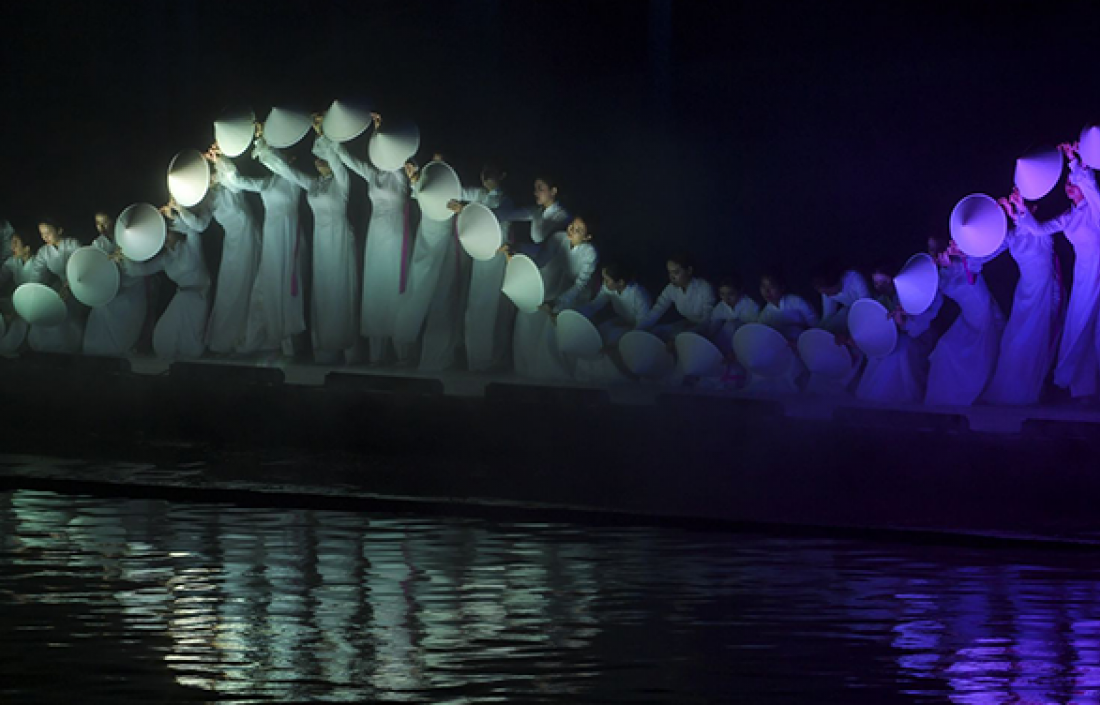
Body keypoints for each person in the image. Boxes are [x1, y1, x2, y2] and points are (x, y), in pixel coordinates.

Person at [257, 119, 359, 363]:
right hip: (321, 240)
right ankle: (325, 346)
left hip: (339, 237)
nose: (317, 161)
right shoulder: (313, 184)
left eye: (322, 157)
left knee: (340, 288)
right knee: (323, 290)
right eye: (317, 158)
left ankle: (348, 346)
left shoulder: (341, 182)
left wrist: (322, 134)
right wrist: (262, 145)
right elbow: (287, 171)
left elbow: (337, 162)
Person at [1008, 142, 1100, 402]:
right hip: (1083, 274)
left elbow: (1092, 189)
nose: (1069, 186)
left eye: (1073, 183)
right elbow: (1039, 229)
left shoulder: (1095, 210)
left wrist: (1074, 162)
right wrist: (1021, 210)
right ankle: (1084, 389)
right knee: (1079, 325)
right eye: (1067, 184)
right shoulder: (1069, 217)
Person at [330, 112, 412, 365]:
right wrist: (330, 134)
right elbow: (347, 158)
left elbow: (396, 151)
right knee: (376, 288)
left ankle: (402, 352)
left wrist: (381, 129)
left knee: (396, 287)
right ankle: (377, 352)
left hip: (396, 233)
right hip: (376, 234)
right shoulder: (372, 173)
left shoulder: (399, 174)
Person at [217, 125, 306, 357]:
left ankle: (287, 343)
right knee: (263, 287)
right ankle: (257, 339)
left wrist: (261, 142)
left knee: (284, 285)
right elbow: (238, 181)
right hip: (272, 237)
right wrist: (220, 161)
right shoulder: (268, 182)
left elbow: (278, 164)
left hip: (287, 234)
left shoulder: (293, 179)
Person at [982, 190, 1063, 405]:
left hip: (1042, 293)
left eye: (1022, 203)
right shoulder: (1013, 235)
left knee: (1031, 341)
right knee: (1012, 342)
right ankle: (1007, 392)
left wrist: (1015, 211)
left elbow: (1031, 226)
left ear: (1033, 208)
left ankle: (1026, 393)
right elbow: (989, 249)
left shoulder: (1042, 232)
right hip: (1024, 293)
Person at [394, 154, 467, 371]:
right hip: (427, 245)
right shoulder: (423, 185)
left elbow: (474, 199)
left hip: (447, 247)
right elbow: (419, 189)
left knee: (443, 300)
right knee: (417, 292)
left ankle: (436, 359)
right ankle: (403, 347)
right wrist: (414, 178)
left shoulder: (458, 190)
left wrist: (464, 208)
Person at [448, 163, 515, 372]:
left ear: (502, 176)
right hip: (481, 256)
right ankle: (475, 359)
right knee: (475, 307)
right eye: (484, 173)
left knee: (492, 309)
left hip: (496, 257)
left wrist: (465, 209)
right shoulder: (479, 194)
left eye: (491, 174)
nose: (486, 178)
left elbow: (493, 216)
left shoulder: (506, 201)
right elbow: (457, 191)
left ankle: (491, 359)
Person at [924, 234, 1004, 406]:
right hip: (967, 318)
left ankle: (971, 394)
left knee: (975, 354)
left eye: (934, 248)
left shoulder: (966, 261)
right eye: (930, 249)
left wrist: (958, 259)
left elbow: (972, 277)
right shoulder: (939, 273)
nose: (932, 252)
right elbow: (932, 303)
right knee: (944, 347)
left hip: (982, 316)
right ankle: (943, 402)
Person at [126, 204, 210, 359]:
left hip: (199, 296)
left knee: (193, 343)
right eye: (163, 235)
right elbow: (140, 270)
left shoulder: (191, 244)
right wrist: (124, 253)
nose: (165, 238)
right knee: (163, 336)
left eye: (168, 233)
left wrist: (175, 216)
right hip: (182, 298)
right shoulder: (166, 259)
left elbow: (192, 229)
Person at [855, 261, 944, 404]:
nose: (880, 287)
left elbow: (919, 327)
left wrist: (903, 322)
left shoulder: (916, 294)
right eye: (876, 283)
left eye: (884, 282)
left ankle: (903, 397)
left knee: (900, 351)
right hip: (895, 337)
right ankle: (876, 397)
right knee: (880, 352)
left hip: (919, 337)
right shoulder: (882, 299)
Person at [202, 146, 262, 355]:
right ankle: (225, 337)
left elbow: (232, 175)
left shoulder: (228, 182)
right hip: (233, 241)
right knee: (230, 287)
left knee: (247, 282)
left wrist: (219, 159)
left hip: (247, 235)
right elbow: (200, 224)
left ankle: (245, 334)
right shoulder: (207, 197)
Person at [83, 210, 148, 356]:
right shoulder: (97, 243)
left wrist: (124, 260)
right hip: (108, 290)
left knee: (126, 331)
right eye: (98, 223)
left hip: (131, 288)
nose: (102, 227)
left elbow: (140, 263)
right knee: (100, 325)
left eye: (105, 222)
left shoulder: (128, 236)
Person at [28, 218, 85, 353]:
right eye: (42, 234)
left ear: (59, 230)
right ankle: (44, 347)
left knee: (66, 312)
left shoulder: (73, 244)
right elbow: (37, 275)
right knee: (47, 308)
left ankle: (67, 345)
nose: (45, 237)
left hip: (80, 285)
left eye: (48, 233)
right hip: (60, 286)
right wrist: (32, 292)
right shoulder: (44, 252)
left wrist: (71, 283)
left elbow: (84, 264)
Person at [636, 252, 717, 341]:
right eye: (670, 273)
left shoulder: (704, 288)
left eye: (676, 272)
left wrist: (682, 336)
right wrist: (637, 331)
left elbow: (707, 322)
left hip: (706, 332)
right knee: (655, 331)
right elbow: (657, 310)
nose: (672, 277)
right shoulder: (671, 288)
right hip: (687, 325)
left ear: (689, 270)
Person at [576, 262, 653, 346]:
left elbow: (642, 325)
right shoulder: (609, 288)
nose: (604, 283)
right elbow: (595, 304)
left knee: (611, 339)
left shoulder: (639, 296)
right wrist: (578, 314)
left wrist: (630, 338)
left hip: (637, 329)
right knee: (599, 332)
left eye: (607, 280)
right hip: (622, 320)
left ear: (620, 282)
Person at [757, 271, 818, 341]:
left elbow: (814, 322)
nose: (767, 291)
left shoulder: (796, 301)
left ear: (782, 287)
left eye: (771, 286)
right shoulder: (764, 314)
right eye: (763, 286)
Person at [708, 275, 760, 357]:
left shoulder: (751, 306)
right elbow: (713, 327)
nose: (726, 298)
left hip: (746, 344)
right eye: (722, 294)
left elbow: (755, 331)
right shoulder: (720, 307)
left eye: (731, 294)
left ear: (740, 290)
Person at [812, 265, 871, 335]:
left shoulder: (855, 279)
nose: (827, 295)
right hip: (850, 308)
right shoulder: (827, 292)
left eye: (827, 292)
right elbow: (828, 315)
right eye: (824, 293)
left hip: (868, 309)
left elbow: (867, 306)